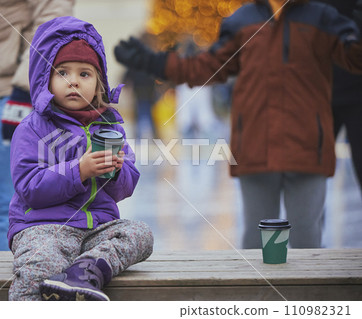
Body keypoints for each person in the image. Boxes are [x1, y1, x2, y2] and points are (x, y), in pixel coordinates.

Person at [114, 0, 362, 248]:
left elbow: (354, 59)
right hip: (256, 149)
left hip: (307, 149)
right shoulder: (243, 20)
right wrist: (154, 63)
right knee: (260, 244)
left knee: (307, 242)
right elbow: (206, 67)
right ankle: (261, 288)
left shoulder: (321, 17)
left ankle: (303, 289)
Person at [7, 16, 154, 301]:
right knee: (39, 264)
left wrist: (116, 171)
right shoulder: (32, 128)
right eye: (62, 73)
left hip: (96, 229)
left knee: (140, 233)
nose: (73, 81)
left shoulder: (110, 128)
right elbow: (29, 187)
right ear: (46, 79)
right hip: (44, 227)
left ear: (98, 82)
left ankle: (83, 274)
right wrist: (80, 170)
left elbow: (124, 190)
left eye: (84, 74)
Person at [0, 0, 74, 250]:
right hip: (4, 95)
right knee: (13, 200)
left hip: (21, 92)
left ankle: (6, 283)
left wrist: (23, 91)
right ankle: (33, 268)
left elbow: (54, 16)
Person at [314, 0, 362, 198]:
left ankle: (309, 227)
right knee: (310, 175)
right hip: (320, 93)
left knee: (311, 175)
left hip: (351, 93)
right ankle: (308, 227)